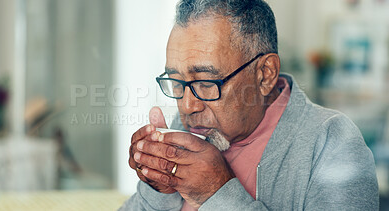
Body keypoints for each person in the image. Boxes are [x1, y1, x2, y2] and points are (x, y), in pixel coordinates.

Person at [120, 0, 379, 210]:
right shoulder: (191, 128)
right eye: (176, 81)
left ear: (265, 74)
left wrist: (217, 193)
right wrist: (160, 190)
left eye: (207, 82)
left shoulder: (332, 143)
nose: (187, 106)